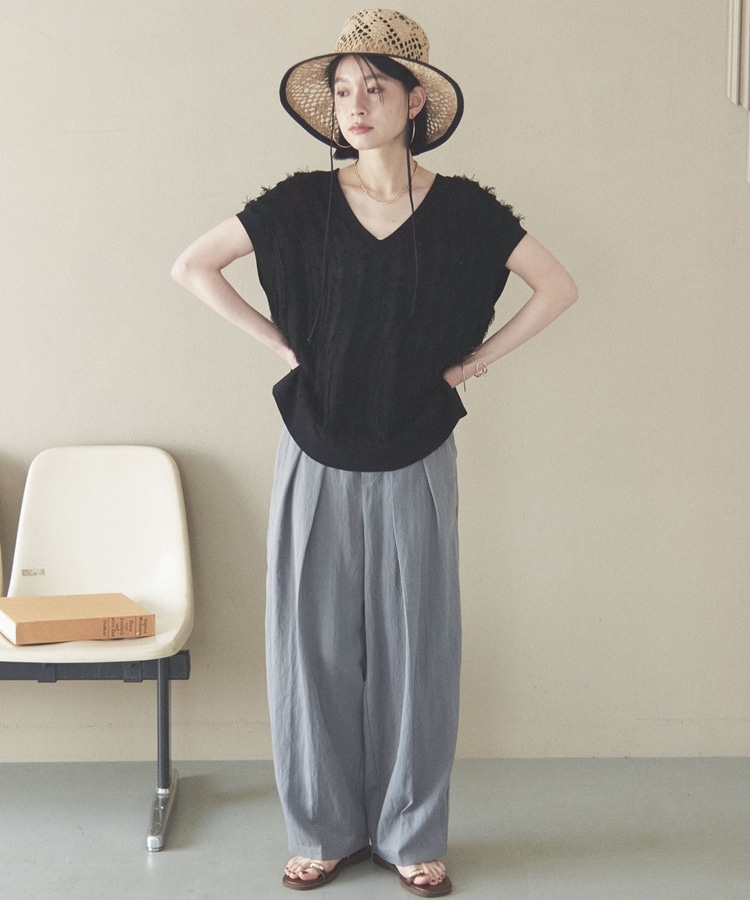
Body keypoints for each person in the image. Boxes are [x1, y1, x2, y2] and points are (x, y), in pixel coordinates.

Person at [172, 8, 577, 896]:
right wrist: (282, 347)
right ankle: (322, 830)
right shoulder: (300, 203)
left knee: (417, 649)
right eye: (344, 91)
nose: (355, 106)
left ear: (415, 99)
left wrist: (472, 363)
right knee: (310, 647)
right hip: (313, 447)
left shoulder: (465, 211)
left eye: (375, 88)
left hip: (418, 448)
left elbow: (557, 287)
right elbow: (192, 266)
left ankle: (411, 833)